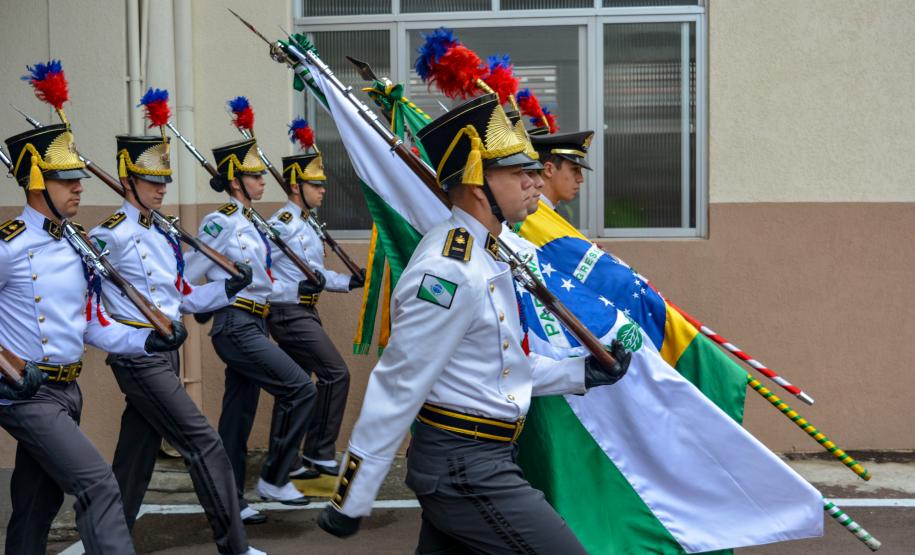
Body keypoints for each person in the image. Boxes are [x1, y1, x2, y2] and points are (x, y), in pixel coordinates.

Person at [316, 93, 631, 552]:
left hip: (482, 457)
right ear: (478, 185)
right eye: (519, 173)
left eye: (533, 170)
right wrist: (352, 494)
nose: (535, 181)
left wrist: (579, 372)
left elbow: (497, 369)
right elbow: (400, 382)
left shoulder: (489, 253)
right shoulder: (449, 270)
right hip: (465, 467)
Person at [0, 123, 186, 554]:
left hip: (69, 391)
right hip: (27, 393)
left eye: (78, 179)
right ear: (35, 181)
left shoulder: (76, 244)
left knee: (37, 502)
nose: (78, 187)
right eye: (65, 180)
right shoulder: (9, 247)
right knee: (99, 485)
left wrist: (146, 340)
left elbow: (93, 323)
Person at [90, 133, 264, 555]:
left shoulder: (163, 231)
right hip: (138, 355)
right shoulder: (107, 236)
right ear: (127, 181)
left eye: (164, 180)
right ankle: (235, 546)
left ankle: (106, 542)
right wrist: (137, 338)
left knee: (135, 454)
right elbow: (89, 307)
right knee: (203, 442)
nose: (162, 188)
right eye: (152, 181)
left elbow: (182, 296)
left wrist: (228, 288)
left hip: (166, 351)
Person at [184, 136, 314, 525]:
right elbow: (186, 278)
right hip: (235, 325)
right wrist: (212, 299)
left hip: (255, 322)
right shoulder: (221, 221)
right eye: (254, 176)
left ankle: (229, 500)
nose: (262, 181)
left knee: (237, 418)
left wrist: (304, 287)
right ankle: (275, 477)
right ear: (235, 180)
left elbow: (263, 284)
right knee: (300, 388)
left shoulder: (253, 223)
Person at [266, 123, 364, 480]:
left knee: (294, 388)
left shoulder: (308, 224)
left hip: (304, 311)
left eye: (323, 184)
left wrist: (349, 282)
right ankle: (318, 451)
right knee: (335, 374)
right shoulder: (282, 225)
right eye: (315, 184)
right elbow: (263, 275)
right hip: (288, 313)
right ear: (296, 186)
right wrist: (295, 290)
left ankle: (285, 459)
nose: (323, 190)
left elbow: (316, 274)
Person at [530, 130, 595, 209]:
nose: (581, 179)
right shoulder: (533, 213)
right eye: (574, 169)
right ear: (549, 170)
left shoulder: (542, 210)